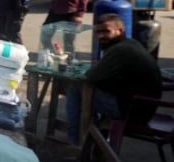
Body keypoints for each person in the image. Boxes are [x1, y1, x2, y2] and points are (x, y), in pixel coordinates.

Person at [65, 13, 162, 144]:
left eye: (106, 31)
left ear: (120, 31)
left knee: (75, 88)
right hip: (143, 108)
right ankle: (92, 138)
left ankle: (76, 141)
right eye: (98, 32)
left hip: (133, 111)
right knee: (91, 90)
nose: (101, 36)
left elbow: (91, 77)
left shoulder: (120, 50)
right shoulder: (130, 44)